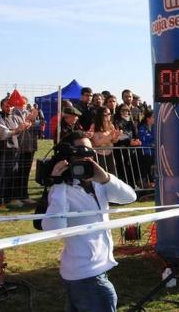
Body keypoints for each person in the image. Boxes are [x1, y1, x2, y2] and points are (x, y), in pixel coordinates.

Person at [42, 131, 137, 312]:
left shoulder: (97, 183)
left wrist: (106, 178)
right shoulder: (62, 190)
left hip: (95, 269)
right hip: (85, 272)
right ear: (67, 157)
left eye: (90, 153)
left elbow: (129, 197)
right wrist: (58, 183)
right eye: (80, 154)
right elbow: (54, 228)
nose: (86, 159)